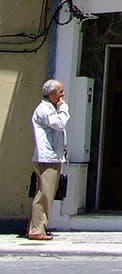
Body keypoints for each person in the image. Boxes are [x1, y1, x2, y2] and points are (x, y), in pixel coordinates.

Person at [28, 79, 69, 241]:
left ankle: (40, 226)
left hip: (53, 156)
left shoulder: (50, 108)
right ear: (51, 94)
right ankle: (36, 229)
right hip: (47, 158)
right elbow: (59, 124)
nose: (63, 95)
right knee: (44, 193)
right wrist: (64, 108)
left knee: (48, 193)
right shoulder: (45, 109)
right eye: (60, 92)